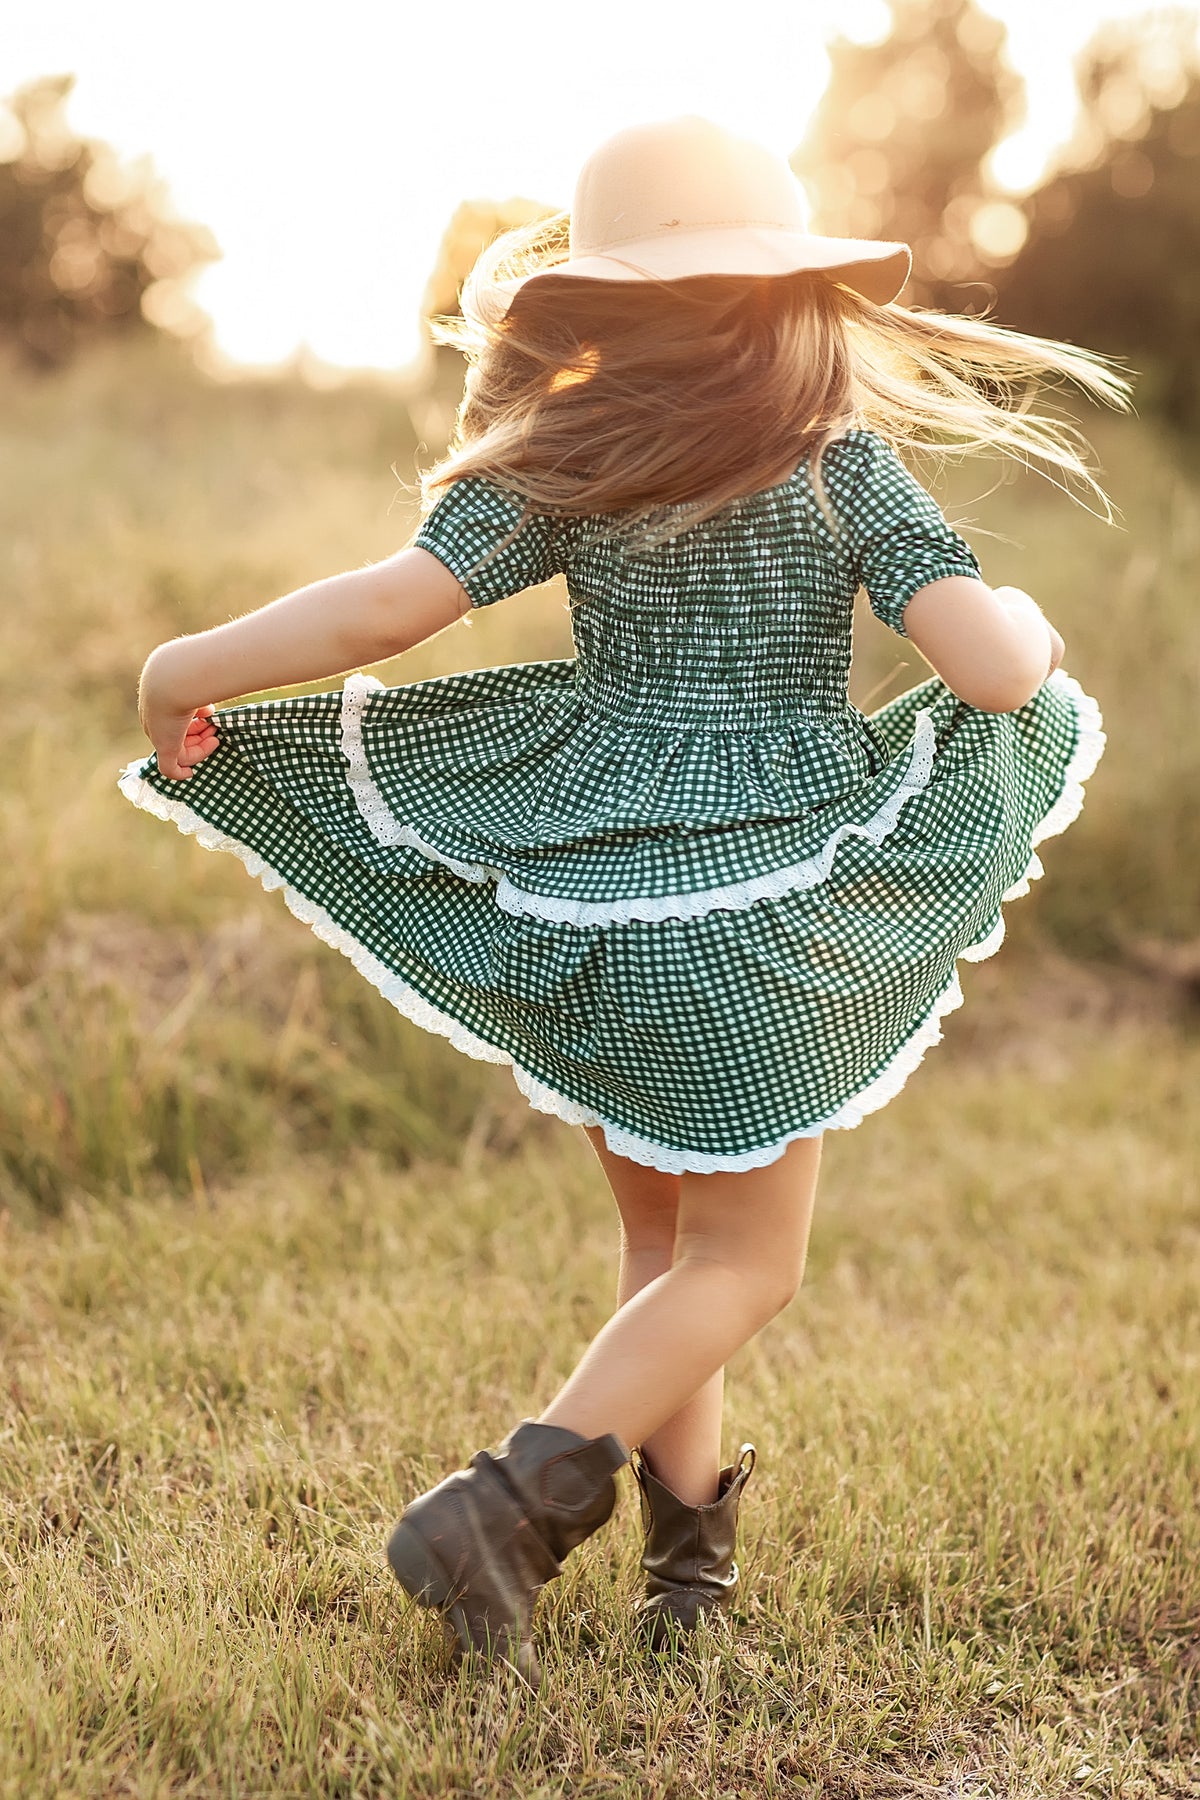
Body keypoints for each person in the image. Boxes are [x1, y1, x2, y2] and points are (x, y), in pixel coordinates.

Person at [120, 116, 1126, 1692]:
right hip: (762, 905)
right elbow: (995, 671)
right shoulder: (840, 462)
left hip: (586, 900)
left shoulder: (569, 460)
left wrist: (187, 667)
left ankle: (688, 1584)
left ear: (605, 306)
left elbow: (395, 603)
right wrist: (1038, 624)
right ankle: (506, 1510)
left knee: (667, 1258)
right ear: (794, 293)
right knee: (749, 1266)